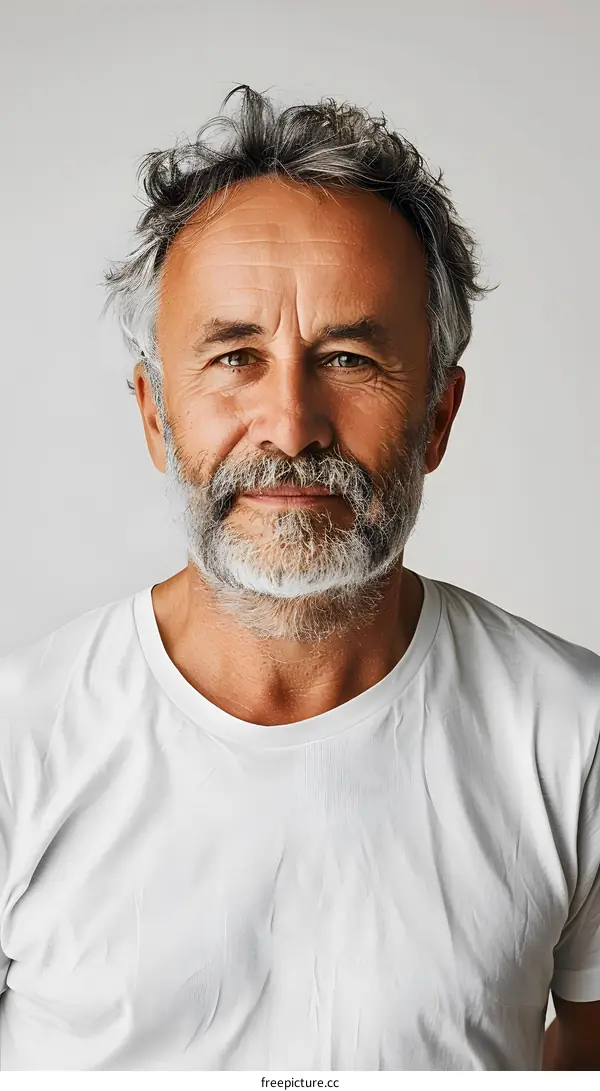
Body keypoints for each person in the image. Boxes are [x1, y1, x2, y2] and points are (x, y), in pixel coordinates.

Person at [0, 84, 599, 1073]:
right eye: (237, 355)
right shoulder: (19, 741)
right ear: (154, 414)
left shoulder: (574, 735)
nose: (290, 425)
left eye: (350, 357)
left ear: (439, 416)